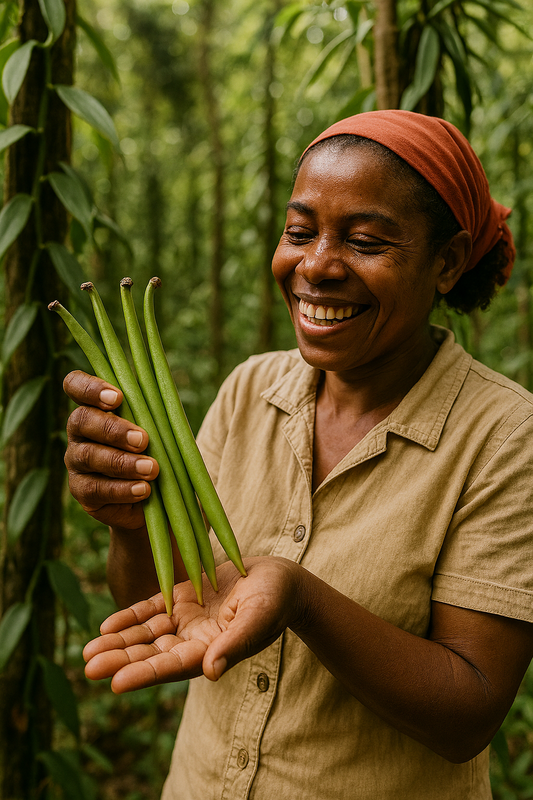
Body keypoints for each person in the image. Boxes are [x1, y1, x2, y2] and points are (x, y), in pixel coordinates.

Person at [66, 111, 533, 800]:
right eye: (298, 231)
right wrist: (129, 523)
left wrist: (300, 599)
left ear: (446, 262)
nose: (315, 265)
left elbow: (469, 712)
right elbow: (169, 608)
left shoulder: (503, 435)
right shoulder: (250, 390)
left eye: (366, 241)